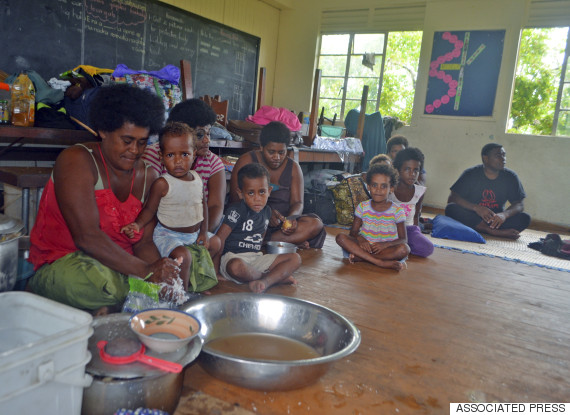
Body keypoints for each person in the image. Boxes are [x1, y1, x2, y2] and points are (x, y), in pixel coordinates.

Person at [28, 84, 181, 315]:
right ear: (103, 131)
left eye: (142, 141)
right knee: (102, 283)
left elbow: (143, 243)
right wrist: (148, 272)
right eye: (127, 140)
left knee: (188, 265)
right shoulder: (76, 160)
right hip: (66, 266)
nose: (135, 150)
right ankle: (119, 299)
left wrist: (161, 275)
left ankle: (111, 306)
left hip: (123, 268)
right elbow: (87, 237)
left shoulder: (148, 175)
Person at [121, 122, 220, 291]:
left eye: (184, 154)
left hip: (194, 234)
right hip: (168, 235)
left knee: (217, 242)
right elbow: (150, 210)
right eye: (170, 155)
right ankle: (180, 293)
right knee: (184, 256)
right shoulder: (162, 183)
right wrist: (138, 224)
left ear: (194, 154)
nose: (178, 161)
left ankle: (209, 279)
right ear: (161, 156)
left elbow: (202, 205)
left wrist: (203, 231)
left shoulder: (197, 178)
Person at [229, 121, 326, 249]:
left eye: (281, 152)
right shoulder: (246, 161)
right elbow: (235, 200)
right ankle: (288, 242)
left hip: (280, 226)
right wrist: (265, 212)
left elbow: (298, 203)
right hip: (250, 221)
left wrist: (291, 218)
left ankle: (263, 242)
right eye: (271, 152)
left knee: (315, 224)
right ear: (261, 147)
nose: (277, 157)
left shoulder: (293, 168)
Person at [214, 163, 301, 293]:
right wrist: (215, 272)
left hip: (255, 258)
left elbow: (260, 240)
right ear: (240, 193)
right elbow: (219, 240)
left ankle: (265, 281)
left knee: (295, 258)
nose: (257, 199)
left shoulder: (267, 212)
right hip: (233, 258)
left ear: (269, 191)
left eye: (262, 192)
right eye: (250, 193)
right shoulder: (236, 211)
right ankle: (272, 277)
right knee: (236, 267)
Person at [143, 99, 226, 233]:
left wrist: (201, 236)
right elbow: (148, 206)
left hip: (198, 229)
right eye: (200, 134)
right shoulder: (155, 155)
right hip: (162, 228)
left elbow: (216, 207)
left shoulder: (212, 162)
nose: (207, 140)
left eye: (208, 133)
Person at [445, 143, 531, 240]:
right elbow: (453, 198)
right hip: (473, 216)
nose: (503, 159)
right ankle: (491, 231)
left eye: (504, 155)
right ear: (485, 158)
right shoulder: (471, 174)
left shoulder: (510, 176)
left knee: (525, 218)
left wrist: (504, 215)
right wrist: (476, 208)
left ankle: (481, 228)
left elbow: (519, 204)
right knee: (451, 209)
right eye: (498, 156)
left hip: (495, 220)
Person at [336, 164, 410, 270]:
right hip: (364, 247)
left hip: (384, 249)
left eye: (383, 186)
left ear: (391, 189)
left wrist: (386, 245)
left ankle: (362, 258)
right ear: (369, 187)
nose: (378, 190)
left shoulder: (397, 211)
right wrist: (361, 239)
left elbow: (403, 239)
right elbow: (353, 233)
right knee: (340, 238)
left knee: (404, 249)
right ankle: (379, 262)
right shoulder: (362, 207)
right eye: (374, 185)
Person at [389, 148, 434, 257]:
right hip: (389, 228)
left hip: (408, 229)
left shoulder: (419, 191)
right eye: (407, 169)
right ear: (398, 169)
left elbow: (416, 215)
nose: (412, 174)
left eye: (416, 170)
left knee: (428, 248)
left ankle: (401, 247)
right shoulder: (390, 188)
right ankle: (397, 247)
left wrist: (416, 234)